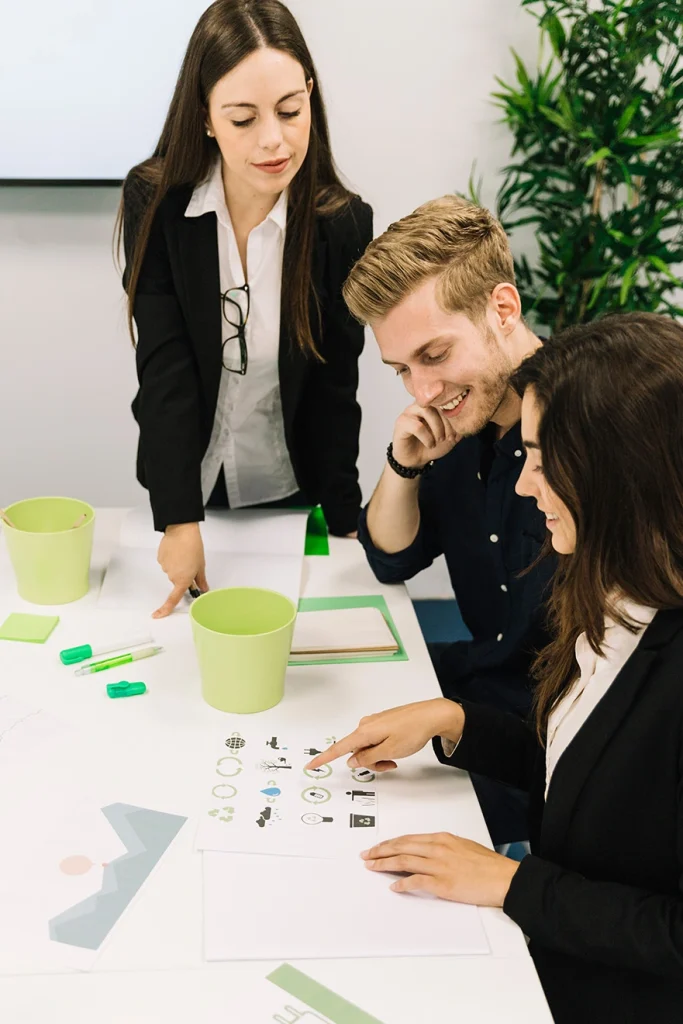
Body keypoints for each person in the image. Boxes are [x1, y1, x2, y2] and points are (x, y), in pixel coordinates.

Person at [308, 312, 683, 1023]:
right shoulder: (603, 586)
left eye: (541, 459)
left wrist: (513, 884)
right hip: (556, 933)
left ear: (619, 470)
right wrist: (455, 723)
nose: (521, 485)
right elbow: (582, 774)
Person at [117, 0, 372, 617]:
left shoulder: (342, 225)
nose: (274, 140)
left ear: (310, 94)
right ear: (205, 117)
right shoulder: (158, 203)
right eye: (243, 119)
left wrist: (346, 523)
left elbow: (337, 386)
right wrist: (179, 520)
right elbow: (164, 369)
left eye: (290, 110)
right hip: (189, 482)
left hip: (290, 489)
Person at [342, 195, 554, 844]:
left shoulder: (588, 431)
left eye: (433, 356)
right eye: (402, 369)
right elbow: (390, 557)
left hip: (545, 744)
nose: (421, 391)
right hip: (475, 684)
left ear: (502, 309)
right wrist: (403, 464)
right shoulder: (457, 422)